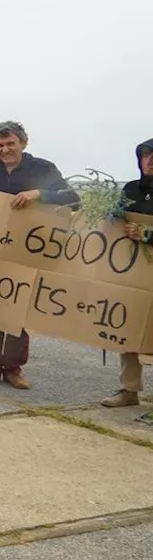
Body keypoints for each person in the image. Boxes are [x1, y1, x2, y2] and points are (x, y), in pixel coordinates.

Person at [0, 120, 78, 389]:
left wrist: (39, 194)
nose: (4, 149)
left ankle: (14, 368)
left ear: (23, 142)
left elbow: (73, 199)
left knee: (20, 312)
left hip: (29, 254)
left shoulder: (43, 168)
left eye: (10, 144)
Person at [100, 138, 152, 408]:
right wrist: (109, 216)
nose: (150, 161)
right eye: (145, 155)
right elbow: (115, 217)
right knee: (129, 329)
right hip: (134, 272)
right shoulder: (132, 189)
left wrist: (147, 234)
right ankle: (129, 390)